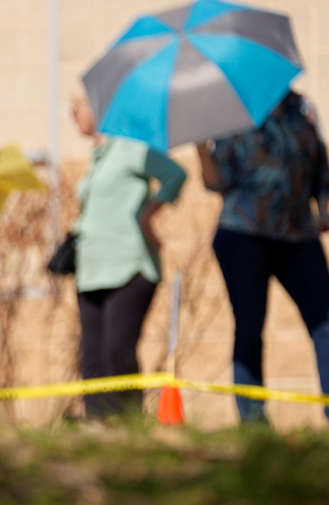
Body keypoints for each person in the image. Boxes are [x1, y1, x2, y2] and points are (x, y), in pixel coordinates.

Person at [197, 90, 329, 423]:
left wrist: (325, 208)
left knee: (326, 323)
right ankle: (253, 421)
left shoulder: (302, 109)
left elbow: (320, 165)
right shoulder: (234, 114)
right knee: (250, 326)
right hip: (243, 234)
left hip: (298, 234)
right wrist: (201, 147)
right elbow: (217, 182)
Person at [71, 96, 186, 419]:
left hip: (129, 266)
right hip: (90, 269)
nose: (74, 115)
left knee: (117, 350)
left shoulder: (132, 147)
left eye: (79, 106)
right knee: (92, 355)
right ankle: (98, 424)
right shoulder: (98, 157)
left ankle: (128, 422)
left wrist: (149, 214)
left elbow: (175, 174)